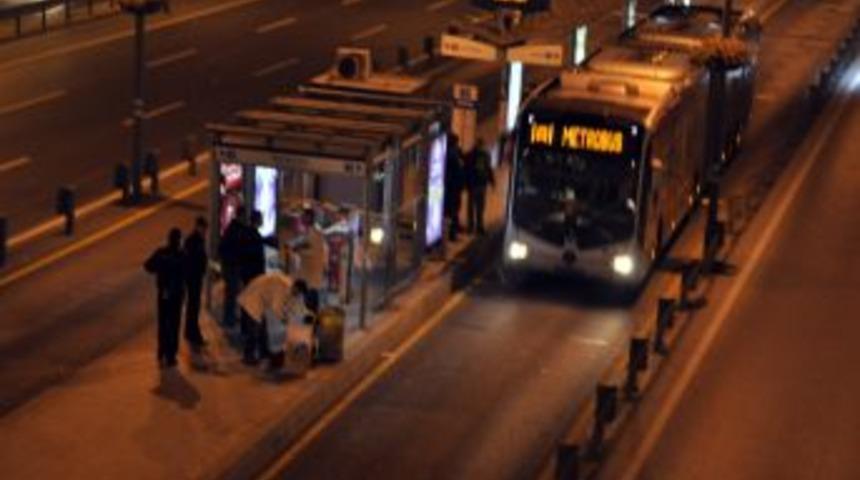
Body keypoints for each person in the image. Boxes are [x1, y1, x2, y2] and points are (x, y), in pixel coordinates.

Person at [144, 228, 186, 368]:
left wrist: (160, 270)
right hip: (176, 295)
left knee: (163, 323)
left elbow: (148, 266)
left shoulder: (161, 253)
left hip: (163, 293)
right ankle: (171, 355)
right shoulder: (181, 256)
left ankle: (161, 351)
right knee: (174, 324)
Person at [241, 210, 267, 365]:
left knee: (250, 314)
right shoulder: (255, 238)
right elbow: (258, 260)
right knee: (256, 317)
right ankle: (250, 353)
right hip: (255, 279)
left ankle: (252, 350)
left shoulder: (246, 235)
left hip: (247, 277)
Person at [183, 216, 208, 349]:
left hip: (194, 278)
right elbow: (193, 260)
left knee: (193, 306)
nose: (205, 231)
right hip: (193, 278)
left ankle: (190, 332)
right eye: (204, 228)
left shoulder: (195, 240)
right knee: (193, 306)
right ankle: (193, 333)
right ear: (199, 226)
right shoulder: (193, 241)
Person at [219, 206, 246, 328]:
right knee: (231, 293)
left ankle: (229, 317)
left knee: (231, 293)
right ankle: (228, 319)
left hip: (229, 265)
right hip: (232, 266)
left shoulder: (231, 228)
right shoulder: (237, 230)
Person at [464, 137, 496, 235]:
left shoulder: (471, 155)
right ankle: (478, 226)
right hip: (479, 184)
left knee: (474, 206)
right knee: (479, 206)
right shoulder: (483, 155)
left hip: (475, 184)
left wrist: (492, 181)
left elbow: (466, 169)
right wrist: (492, 181)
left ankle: (472, 226)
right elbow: (488, 169)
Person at [298, 208, 326, 315]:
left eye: (304, 216)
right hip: (309, 271)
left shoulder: (314, 232)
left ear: (309, 218)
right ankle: (311, 315)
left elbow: (313, 251)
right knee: (309, 294)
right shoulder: (310, 231)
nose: (301, 218)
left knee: (311, 294)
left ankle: (312, 317)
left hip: (312, 270)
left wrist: (299, 251)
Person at [443, 133, 465, 242]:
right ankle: (451, 234)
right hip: (452, 189)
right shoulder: (453, 155)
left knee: (446, 211)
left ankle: (447, 234)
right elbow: (459, 170)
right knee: (452, 211)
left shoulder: (444, 153)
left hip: (444, 188)